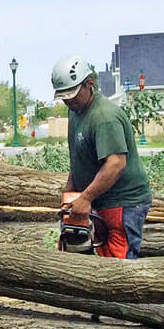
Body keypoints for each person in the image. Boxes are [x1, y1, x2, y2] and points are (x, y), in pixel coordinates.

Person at [52, 55, 152, 259]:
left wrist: (86, 197)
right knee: (86, 256)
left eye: (72, 94)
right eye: (64, 96)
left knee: (117, 265)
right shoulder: (76, 112)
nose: (68, 100)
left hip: (122, 202)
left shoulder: (104, 117)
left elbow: (115, 164)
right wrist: (70, 193)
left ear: (89, 84)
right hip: (100, 198)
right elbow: (80, 157)